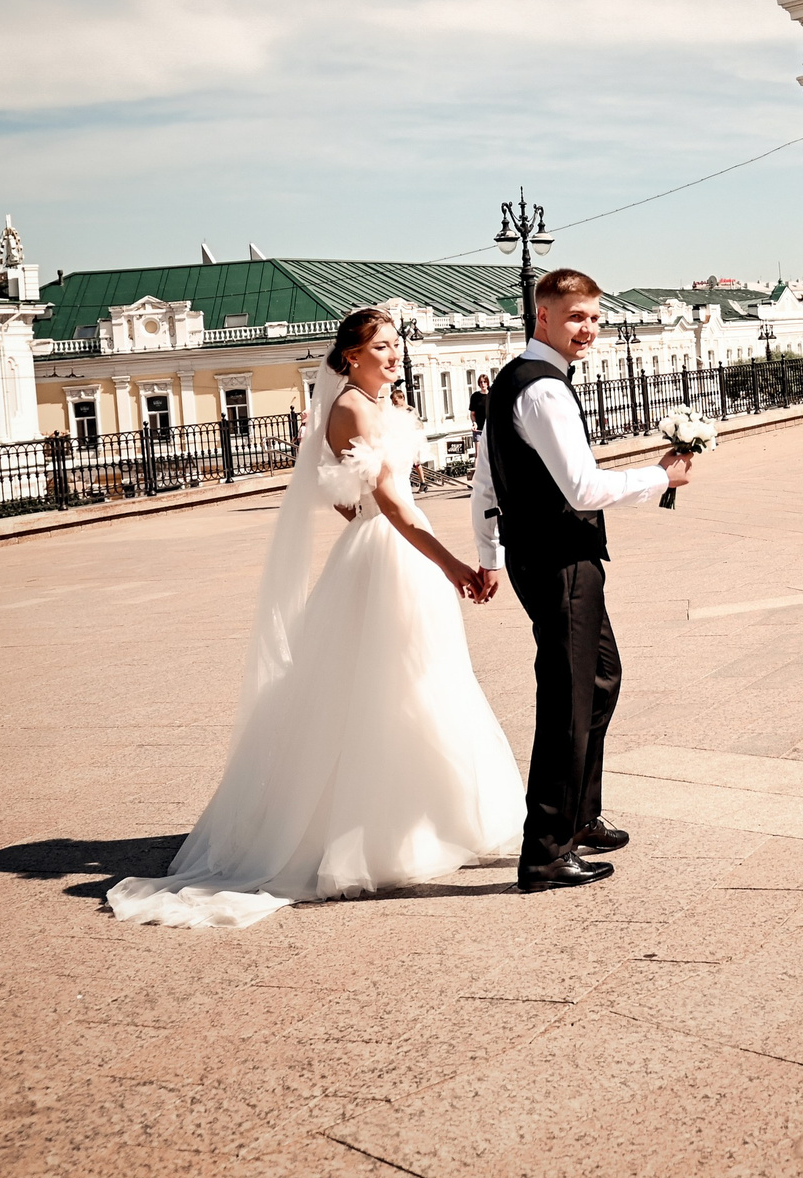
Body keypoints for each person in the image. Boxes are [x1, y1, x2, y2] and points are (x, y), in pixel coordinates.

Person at [106, 306, 522, 928]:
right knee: (388, 689)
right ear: (350, 355)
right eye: (381, 346)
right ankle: (371, 828)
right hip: (395, 554)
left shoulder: (379, 405)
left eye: (395, 344)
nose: (393, 354)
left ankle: (429, 813)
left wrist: (382, 534)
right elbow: (386, 501)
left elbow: (342, 494)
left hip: (392, 550)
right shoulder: (351, 408)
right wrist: (453, 566)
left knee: (422, 681)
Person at [469, 269, 693, 893]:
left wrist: (489, 553)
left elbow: (485, 479)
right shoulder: (542, 391)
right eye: (575, 317)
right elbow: (583, 488)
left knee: (598, 679)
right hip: (560, 561)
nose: (588, 328)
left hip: (541, 555)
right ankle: (544, 853)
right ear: (543, 317)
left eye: (594, 317)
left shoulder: (513, 380)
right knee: (568, 701)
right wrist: (661, 476)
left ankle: (579, 815)